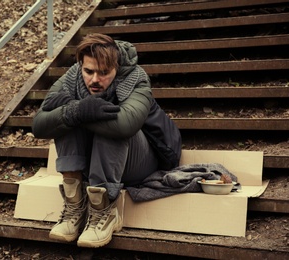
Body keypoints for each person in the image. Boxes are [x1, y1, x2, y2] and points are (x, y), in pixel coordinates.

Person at [32, 33, 182, 248]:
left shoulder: (135, 78)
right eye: (89, 71)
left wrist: (76, 110)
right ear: (80, 65)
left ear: (117, 68)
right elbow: (39, 125)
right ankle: (75, 207)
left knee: (105, 121)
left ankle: (104, 212)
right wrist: (76, 111)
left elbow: (126, 125)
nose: (94, 79)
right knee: (68, 118)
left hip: (139, 161)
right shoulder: (73, 76)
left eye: (104, 73)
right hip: (93, 163)